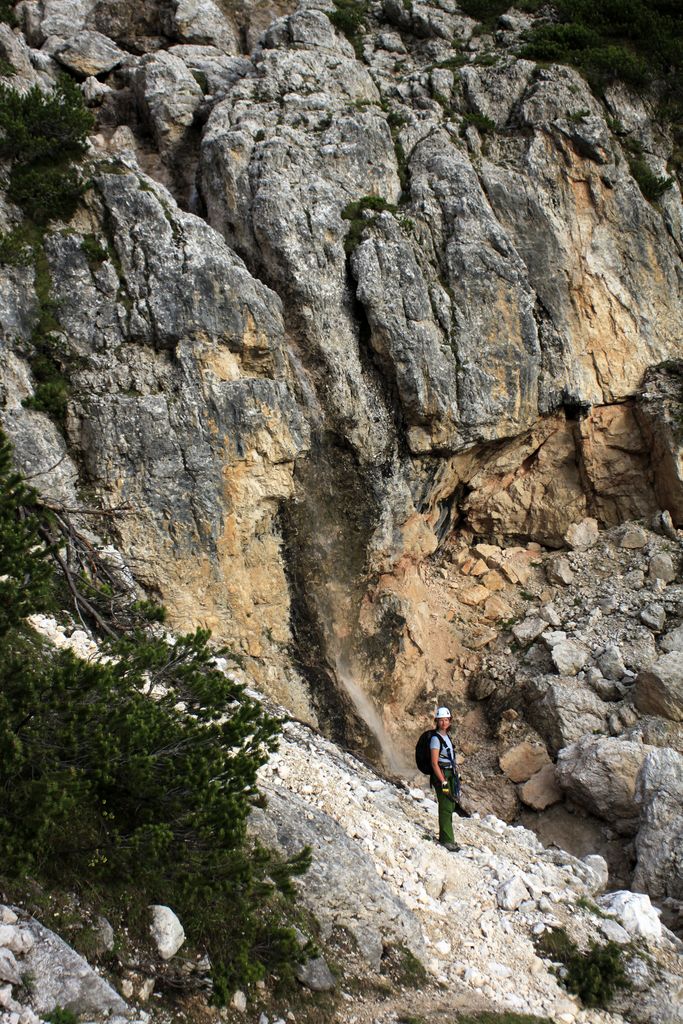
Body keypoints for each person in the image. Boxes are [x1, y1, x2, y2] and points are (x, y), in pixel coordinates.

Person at [430, 706, 460, 852]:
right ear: (437, 721)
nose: (443, 723)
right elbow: (434, 763)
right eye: (441, 720)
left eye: (446, 720)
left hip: (450, 773)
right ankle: (446, 840)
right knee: (446, 807)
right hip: (442, 775)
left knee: (451, 805)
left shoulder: (446, 737)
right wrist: (443, 781)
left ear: (450, 721)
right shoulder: (435, 739)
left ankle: (448, 838)